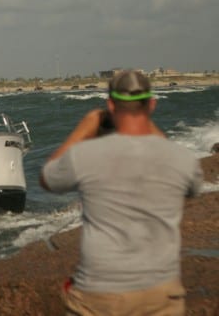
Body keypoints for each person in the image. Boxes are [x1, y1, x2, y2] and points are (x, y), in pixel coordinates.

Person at [39, 70, 203, 315]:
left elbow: (48, 178)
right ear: (152, 104)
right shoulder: (182, 159)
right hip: (161, 294)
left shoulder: (85, 156)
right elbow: (192, 187)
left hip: (99, 293)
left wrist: (85, 129)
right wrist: (149, 125)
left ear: (111, 105)